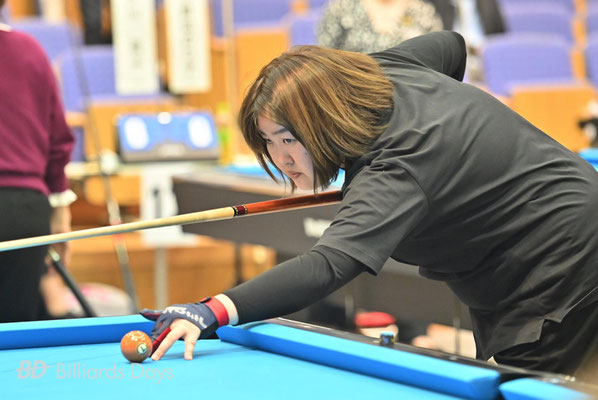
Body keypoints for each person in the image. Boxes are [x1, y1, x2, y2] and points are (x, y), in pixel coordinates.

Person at [142, 31, 598, 380]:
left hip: (561, 272)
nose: (280, 158)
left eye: (288, 138)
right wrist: (459, 160)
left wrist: (211, 310)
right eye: (268, 141)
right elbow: (450, 45)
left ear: (324, 118)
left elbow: (327, 265)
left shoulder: (396, 169)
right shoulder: (386, 70)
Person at [0, 0, 76, 322]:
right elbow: (58, 140)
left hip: (24, 205)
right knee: (14, 334)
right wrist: (59, 212)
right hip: (26, 212)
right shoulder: (30, 50)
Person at [317, 0, 443, 53]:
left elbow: (437, 57)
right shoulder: (342, 8)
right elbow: (325, 57)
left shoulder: (422, 11)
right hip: (353, 92)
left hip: (411, 94)